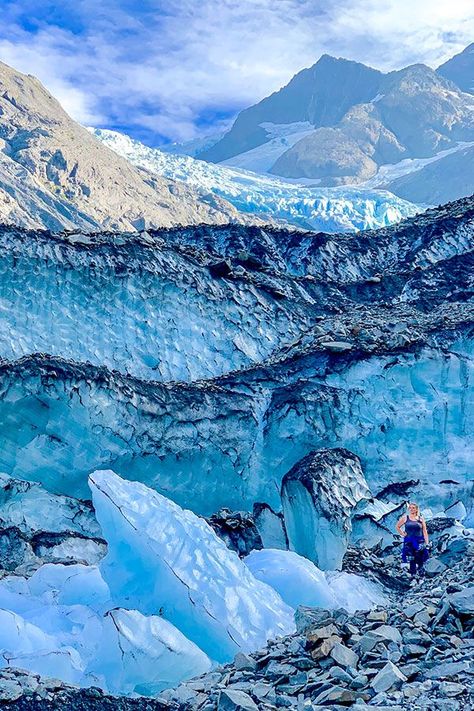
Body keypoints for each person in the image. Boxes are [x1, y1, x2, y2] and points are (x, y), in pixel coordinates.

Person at [395, 502, 430, 580]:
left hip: (420, 541)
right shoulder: (405, 518)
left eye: (413, 508)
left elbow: (424, 531)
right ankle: (413, 576)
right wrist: (402, 533)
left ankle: (421, 576)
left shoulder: (421, 519)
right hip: (409, 541)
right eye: (410, 508)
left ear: (417, 509)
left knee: (421, 558)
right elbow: (397, 526)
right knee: (412, 558)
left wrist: (427, 542)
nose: (411, 509)